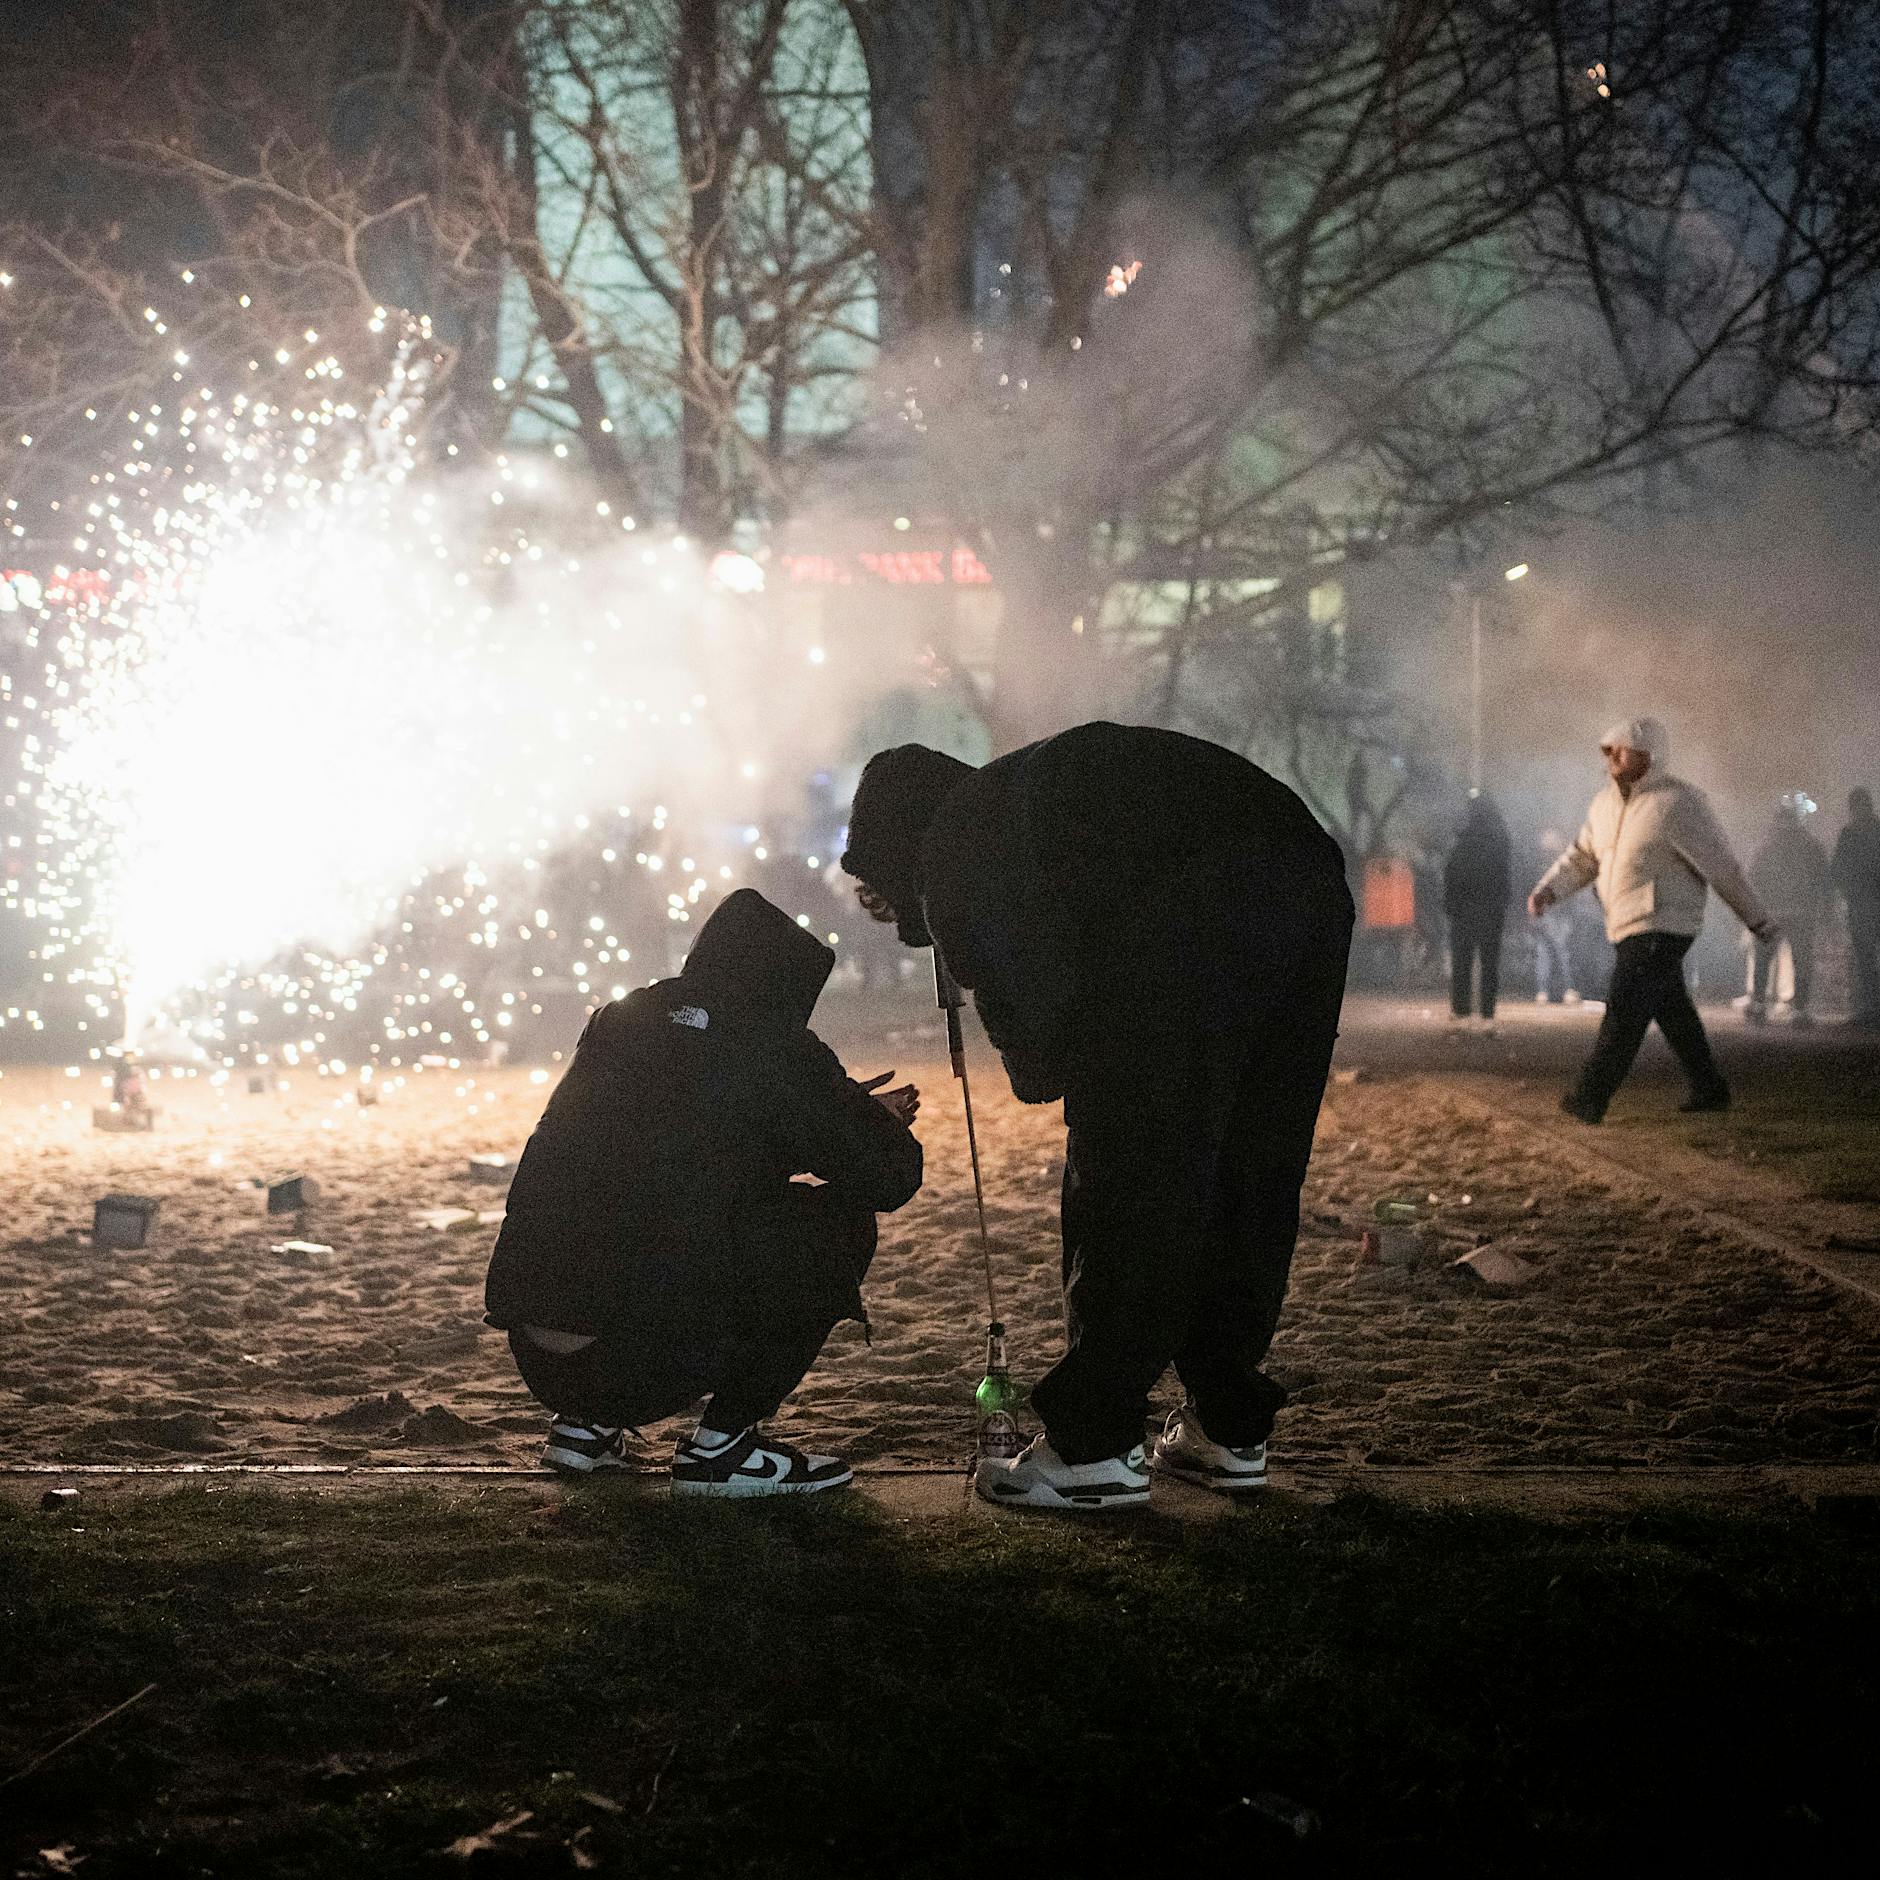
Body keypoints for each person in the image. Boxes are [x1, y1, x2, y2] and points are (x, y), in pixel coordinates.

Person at [840, 723, 1353, 1514]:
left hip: (1188, 919)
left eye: (879, 888)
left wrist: (1071, 1084)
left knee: (1134, 1175)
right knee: (1252, 1166)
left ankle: (1094, 1448)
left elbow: (1036, 1028)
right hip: (1307, 880)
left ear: (900, 843)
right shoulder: (1021, 803)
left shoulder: (959, 841)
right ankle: (1227, 1425)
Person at [484, 888, 923, 1496]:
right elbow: (890, 1176)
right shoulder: (774, 1043)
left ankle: (585, 1430)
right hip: (639, 1362)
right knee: (835, 1223)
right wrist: (864, 1118)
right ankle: (722, 1449)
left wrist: (829, 1115)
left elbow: (683, 1146)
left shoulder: (621, 1020)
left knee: (641, 1211)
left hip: (537, 1353)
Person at [1529, 717, 1776, 1124]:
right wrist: (1549, 890)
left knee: (1624, 1011)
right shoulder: (1604, 805)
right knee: (1672, 1009)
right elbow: (1582, 858)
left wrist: (1757, 919)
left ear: (1647, 755)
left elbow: (1721, 866)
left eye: (1619, 750)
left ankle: (1591, 1098)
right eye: (1607, 750)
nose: (1610, 757)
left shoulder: (1678, 804)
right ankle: (1710, 1088)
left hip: (1663, 923)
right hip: (1626, 922)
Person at [1743, 794, 1831, 1027]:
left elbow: (1751, 875)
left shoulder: (1765, 845)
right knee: (1801, 960)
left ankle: (1759, 1005)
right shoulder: (1811, 845)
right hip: (1802, 911)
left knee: (1763, 959)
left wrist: (1751, 908)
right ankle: (1800, 1010)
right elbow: (1823, 879)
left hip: (1770, 910)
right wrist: (1826, 909)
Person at [1442, 793, 1512, 1035]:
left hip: (1463, 911)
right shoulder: (1500, 839)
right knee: (1489, 965)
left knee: (1462, 963)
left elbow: (1451, 874)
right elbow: (1504, 877)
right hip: (1491, 912)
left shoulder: (1462, 840)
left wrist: (1450, 905)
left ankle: (1461, 1013)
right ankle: (1487, 1016)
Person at [1831, 787, 1880, 1028]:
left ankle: (1868, 1008)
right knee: (1864, 957)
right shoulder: (1856, 833)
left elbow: (1838, 868)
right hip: (1861, 902)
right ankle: (1868, 1008)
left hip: (1861, 903)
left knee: (1864, 958)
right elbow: (1838, 869)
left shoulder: (1850, 834)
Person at [1529, 827, 1583, 1005]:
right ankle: (1568, 989)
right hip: (1557, 915)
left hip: (1543, 914)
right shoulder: (1558, 865)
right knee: (1562, 953)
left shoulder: (1537, 866)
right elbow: (1567, 888)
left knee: (1544, 954)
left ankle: (1542, 991)